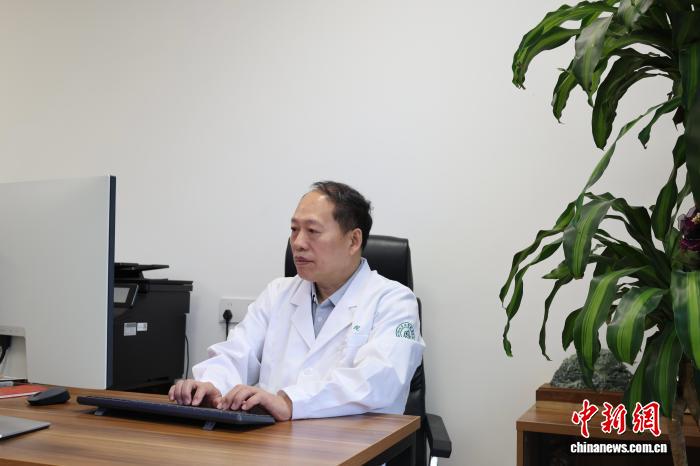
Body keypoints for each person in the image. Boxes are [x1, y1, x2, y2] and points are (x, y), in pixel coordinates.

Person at [169, 181, 424, 420]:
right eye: (294, 230)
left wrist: (290, 402)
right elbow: (237, 353)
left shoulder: (394, 301)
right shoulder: (278, 293)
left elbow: (378, 381)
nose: (298, 243)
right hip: (271, 441)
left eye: (312, 231)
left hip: (356, 445)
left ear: (353, 240)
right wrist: (210, 384)